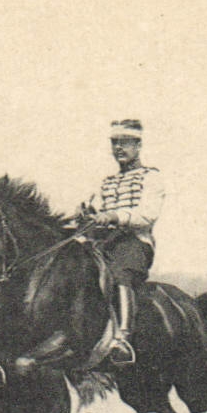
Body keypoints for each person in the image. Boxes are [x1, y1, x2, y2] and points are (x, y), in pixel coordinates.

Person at [74, 119, 165, 365]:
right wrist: (86, 214)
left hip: (134, 242)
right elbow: (95, 209)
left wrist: (114, 216)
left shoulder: (151, 177)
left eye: (125, 143)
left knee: (120, 271)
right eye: (115, 143)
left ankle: (122, 338)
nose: (119, 148)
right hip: (104, 242)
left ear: (138, 145)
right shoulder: (107, 182)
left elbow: (147, 215)